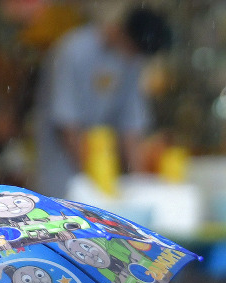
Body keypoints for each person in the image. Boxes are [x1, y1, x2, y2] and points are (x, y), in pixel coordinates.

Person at [32, 3, 172, 197]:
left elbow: (131, 127)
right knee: (64, 208)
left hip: (103, 169)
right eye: (132, 50)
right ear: (122, 33)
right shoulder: (73, 51)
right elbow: (66, 125)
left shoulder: (131, 61)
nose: (133, 57)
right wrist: (93, 180)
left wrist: (140, 187)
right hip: (61, 168)